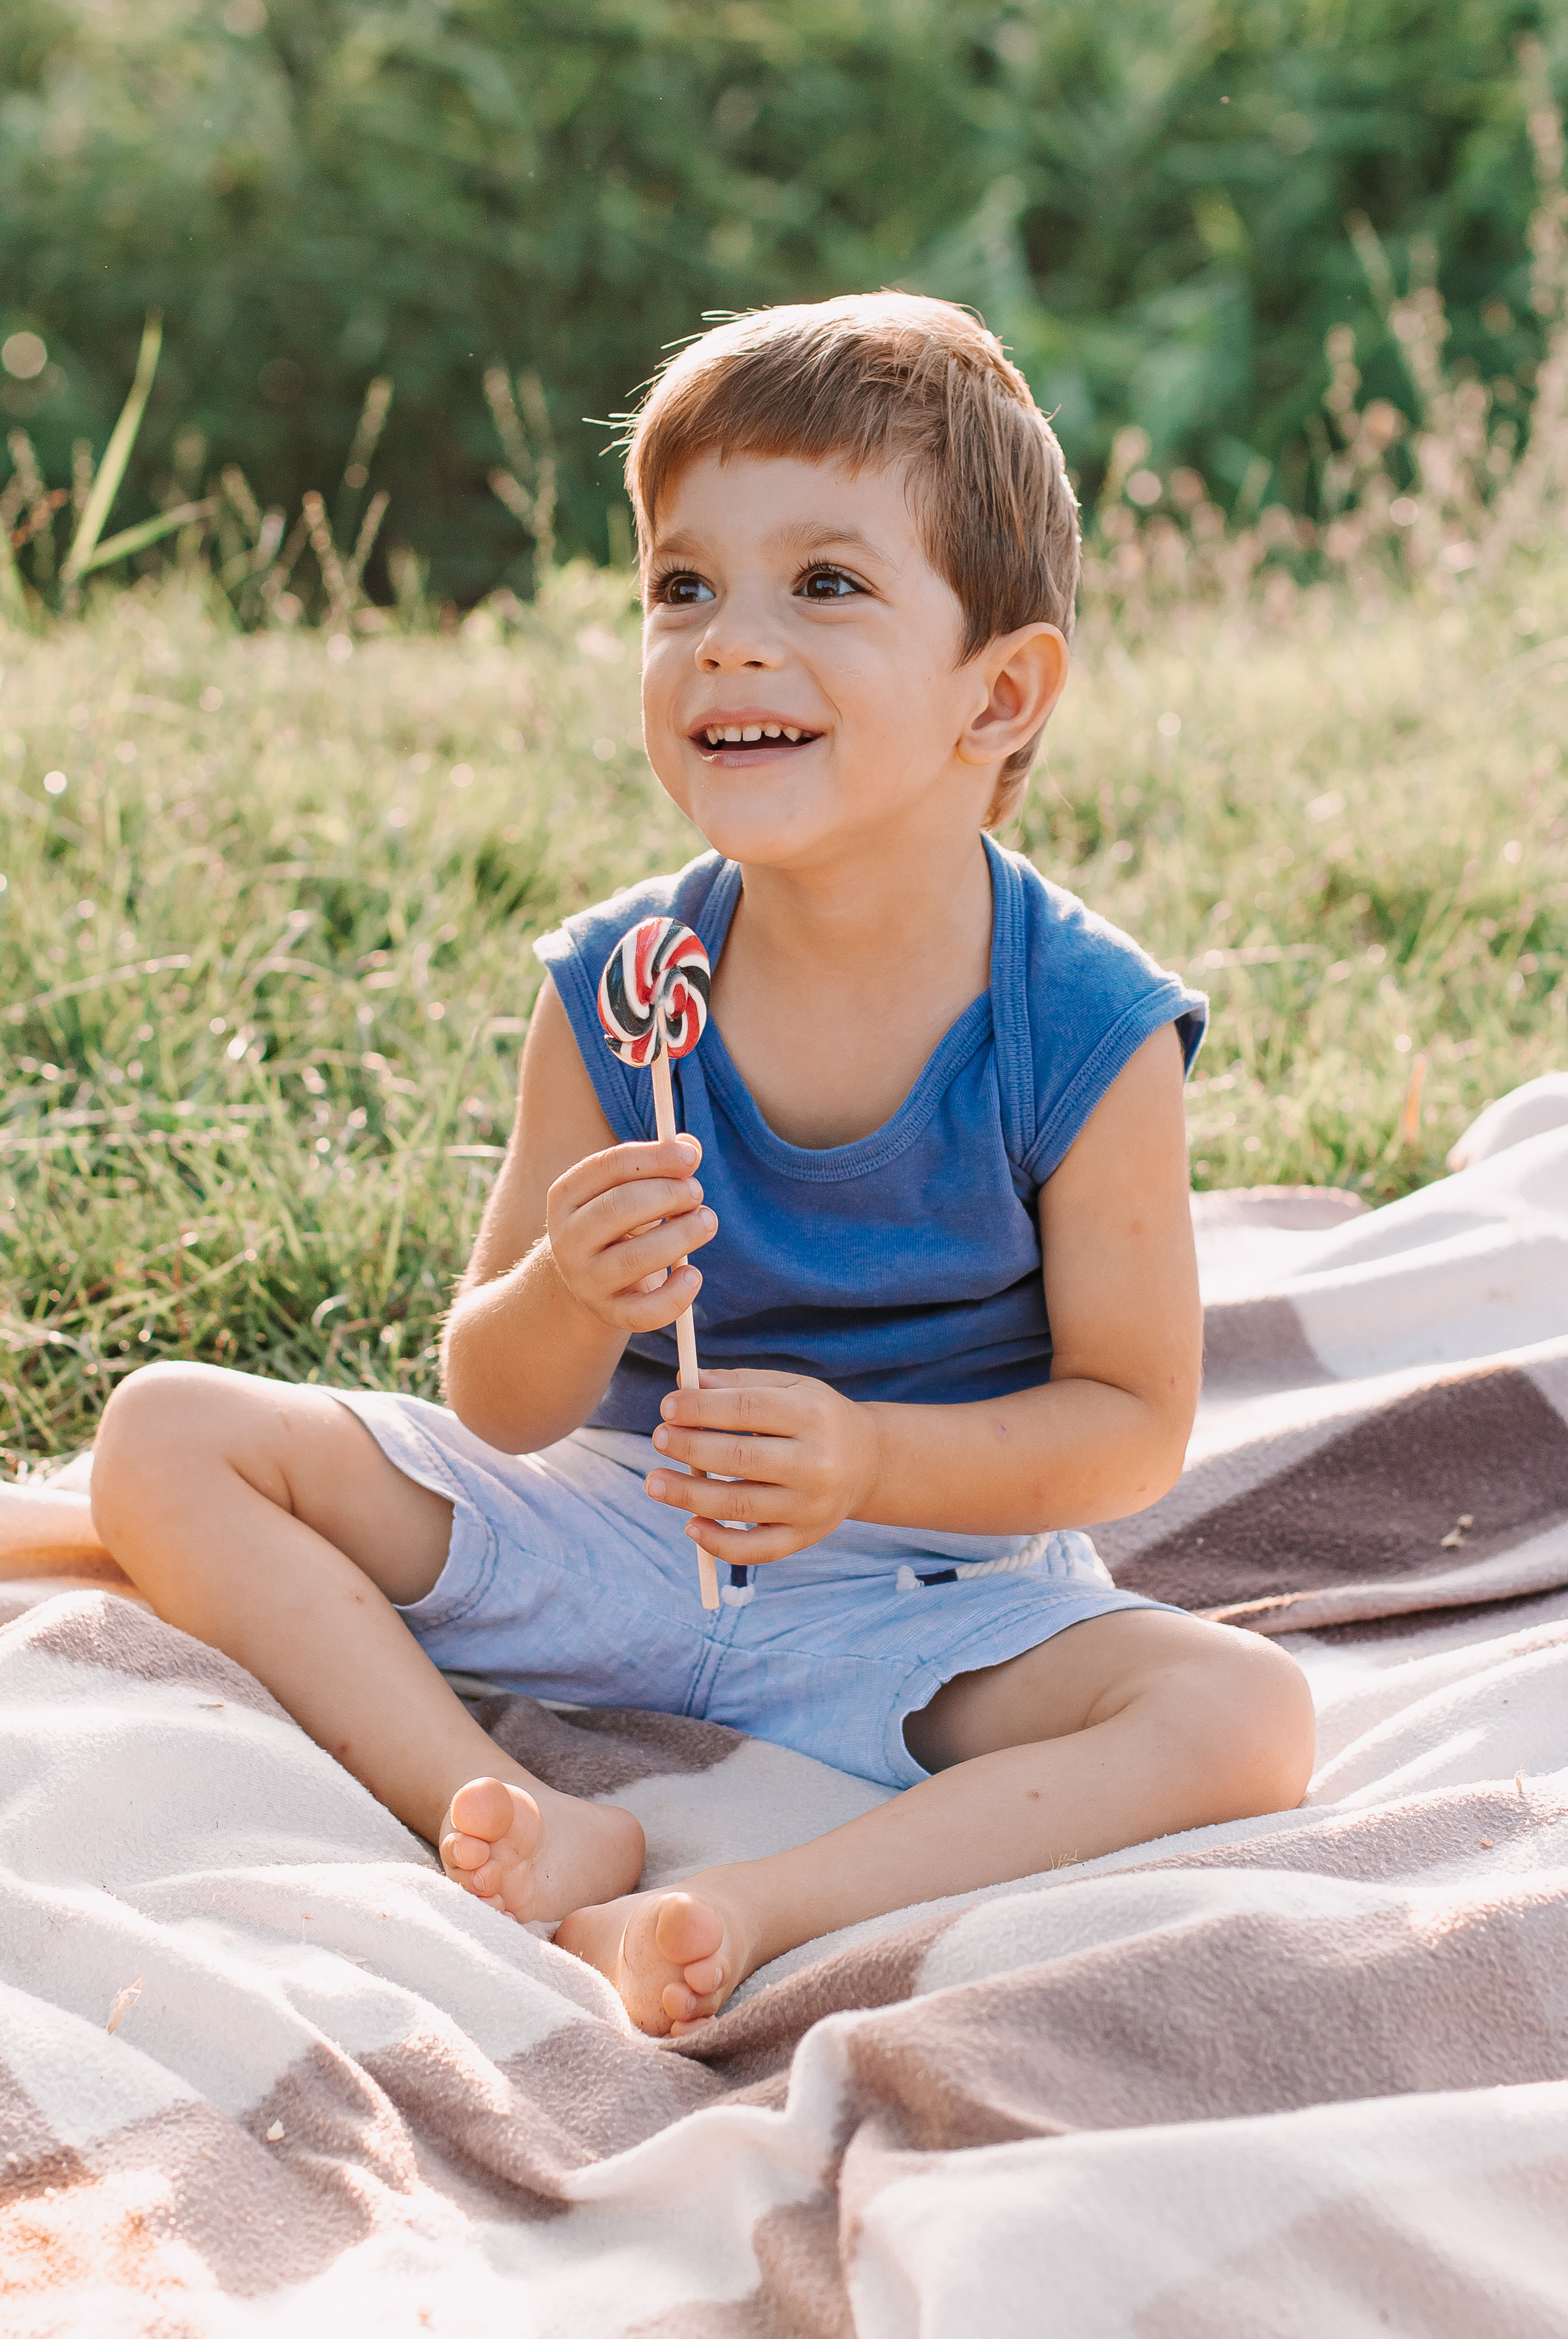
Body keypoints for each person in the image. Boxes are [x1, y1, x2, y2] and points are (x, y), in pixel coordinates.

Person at [88, 294, 1315, 2036]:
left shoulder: (1083, 1029)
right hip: (621, 1517)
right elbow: (496, 1403)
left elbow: (1131, 1425)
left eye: (825, 584)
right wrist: (566, 1298)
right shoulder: (616, 988)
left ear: (1002, 690)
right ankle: (504, 1821)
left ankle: (755, 1903)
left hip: (922, 1586)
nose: (729, 643)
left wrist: (866, 1454)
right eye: (683, 587)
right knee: (165, 1430)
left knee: (1243, 1715)